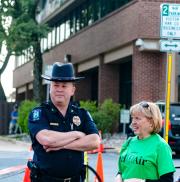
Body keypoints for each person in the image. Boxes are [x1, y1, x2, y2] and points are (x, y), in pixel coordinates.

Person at [28, 62, 100, 182]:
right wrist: (77, 134)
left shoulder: (81, 114)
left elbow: (95, 141)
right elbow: (46, 139)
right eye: (56, 85)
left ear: (72, 90)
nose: (59, 89)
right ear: (50, 88)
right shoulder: (40, 113)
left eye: (64, 86)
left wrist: (61, 145)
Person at [116, 101, 175, 182]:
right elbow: (122, 170)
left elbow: (167, 180)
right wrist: (118, 175)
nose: (133, 122)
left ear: (151, 121)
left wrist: (142, 181)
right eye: (132, 118)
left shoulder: (161, 146)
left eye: (137, 118)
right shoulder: (129, 142)